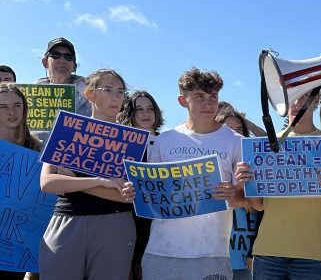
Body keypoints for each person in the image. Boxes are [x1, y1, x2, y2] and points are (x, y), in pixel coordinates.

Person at [141, 68, 250, 280]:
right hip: (161, 249)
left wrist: (233, 194)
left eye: (213, 97)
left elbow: (241, 200)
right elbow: (150, 195)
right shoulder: (164, 140)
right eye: (200, 96)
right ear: (183, 100)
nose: (208, 103)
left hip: (212, 252)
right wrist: (135, 190)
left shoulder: (236, 141)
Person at [237, 91, 321, 280]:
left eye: (304, 96)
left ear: (316, 100)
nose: (297, 102)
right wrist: (247, 182)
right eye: (293, 96)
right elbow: (259, 205)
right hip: (268, 250)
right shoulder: (266, 146)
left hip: (312, 253)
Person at [38, 69, 136, 280]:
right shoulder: (66, 129)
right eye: (107, 90)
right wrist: (101, 181)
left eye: (120, 91)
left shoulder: (133, 139)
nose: (115, 97)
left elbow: (126, 197)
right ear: (90, 94)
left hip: (115, 224)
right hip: (67, 220)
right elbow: (47, 183)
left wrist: (73, 181)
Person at [117, 90, 165, 280]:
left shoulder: (168, 141)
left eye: (150, 108)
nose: (146, 114)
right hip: (130, 217)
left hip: (161, 220)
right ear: (130, 113)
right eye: (139, 109)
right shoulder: (122, 144)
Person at [214, 109, 263, 280]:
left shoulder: (255, 168)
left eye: (239, 129)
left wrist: (252, 252)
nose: (234, 133)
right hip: (215, 256)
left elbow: (263, 215)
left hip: (244, 257)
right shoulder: (211, 168)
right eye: (228, 129)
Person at [0, 84, 42, 280]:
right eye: (3, 106)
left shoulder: (37, 147)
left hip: (20, 238)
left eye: (17, 105)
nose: (12, 112)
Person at [34, 37, 90, 117]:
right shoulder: (33, 91)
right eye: (55, 55)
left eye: (68, 57)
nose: (62, 60)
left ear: (74, 66)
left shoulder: (90, 92)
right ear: (45, 62)